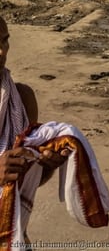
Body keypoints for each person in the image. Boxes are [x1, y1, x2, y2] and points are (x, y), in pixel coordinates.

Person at [0, 15, 71, 245]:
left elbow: (29, 179)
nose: (1, 52)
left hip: (14, 238)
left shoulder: (22, 98)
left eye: (4, 41)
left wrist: (45, 165)